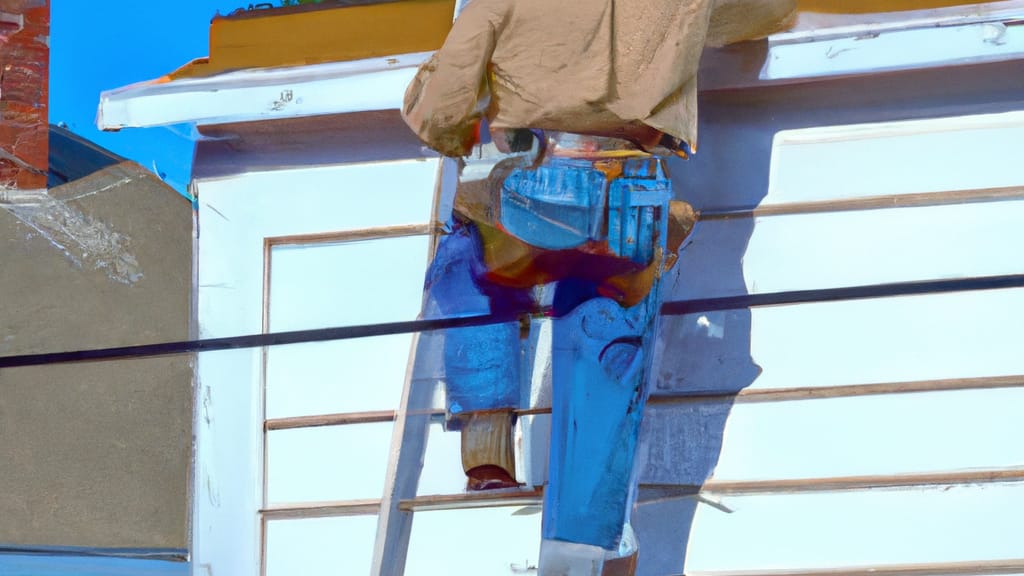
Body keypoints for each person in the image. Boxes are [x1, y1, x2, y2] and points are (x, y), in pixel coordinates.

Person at [404, 1, 796, 573]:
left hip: (533, 195)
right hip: (630, 203)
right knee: (603, 377)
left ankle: (486, 446)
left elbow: (436, 115)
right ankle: (586, 551)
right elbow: (766, 13)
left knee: (465, 256)